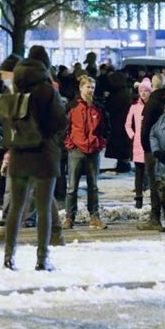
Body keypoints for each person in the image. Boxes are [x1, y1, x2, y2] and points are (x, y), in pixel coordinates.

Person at [1, 46, 68, 271]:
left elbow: (6, 120)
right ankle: (42, 258)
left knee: (16, 209)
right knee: (43, 208)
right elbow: (59, 122)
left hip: (19, 154)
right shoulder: (47, 89)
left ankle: (9, 257)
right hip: (44, 155)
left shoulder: (13, 88)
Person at [63, 75, 109, 230]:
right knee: (72, 187)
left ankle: (94, 216)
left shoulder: (99, 107)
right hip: (76, 150)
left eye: (93, 87)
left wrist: (100, 143)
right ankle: (69, 217)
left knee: (93, 186)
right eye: (88, 87)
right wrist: (69, 144)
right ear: (81, 88)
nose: (91, 90)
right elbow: (64, 127)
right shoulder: (71, 106)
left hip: (93, 151)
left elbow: (105, 127)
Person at [137, 73, 165, 230]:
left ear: (153, 86)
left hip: (152, 149)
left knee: (155, 184)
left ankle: (155, 217)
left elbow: (145, 129)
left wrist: (145, 147)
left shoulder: (152, 103)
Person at [125, 77, 152, 209]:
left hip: (151, 143)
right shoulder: (134, 107)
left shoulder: (153, 106)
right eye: (141, 91)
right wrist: (133, 135)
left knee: (151, 172)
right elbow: (128, 124)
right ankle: (139, 198)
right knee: (139, 172)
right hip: (138, 144)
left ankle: (154, 198)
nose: (143, 93)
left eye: (146, 91)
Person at [104, 71, 132, 173]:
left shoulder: (119, 94)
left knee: (121, 145)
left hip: (119, 123)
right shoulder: (124, 92)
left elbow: (111, 106)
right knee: (122, 145)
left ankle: (123, 164)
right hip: (120, 123)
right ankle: (123, 163)